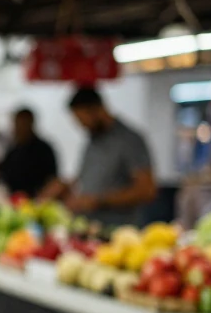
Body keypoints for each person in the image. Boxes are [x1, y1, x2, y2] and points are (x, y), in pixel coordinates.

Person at [42, 87, 156, 226]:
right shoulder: (93, 140)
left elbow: (147, 190)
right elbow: (88, 178)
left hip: (119, 230)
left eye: (83, 121)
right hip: (90, 226)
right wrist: (64, 186)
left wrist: (99, 201)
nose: (83, 127)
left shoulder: (130, 140)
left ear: (97, 110)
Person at [0, 108, 57, 198]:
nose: (19, 128)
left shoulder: (44, 150)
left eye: (23, 124)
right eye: (17, 124)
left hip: (36, 202)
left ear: (31, 124)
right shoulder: (13, 149)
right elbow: (3, 173)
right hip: (12, 200)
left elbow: (51, 180)